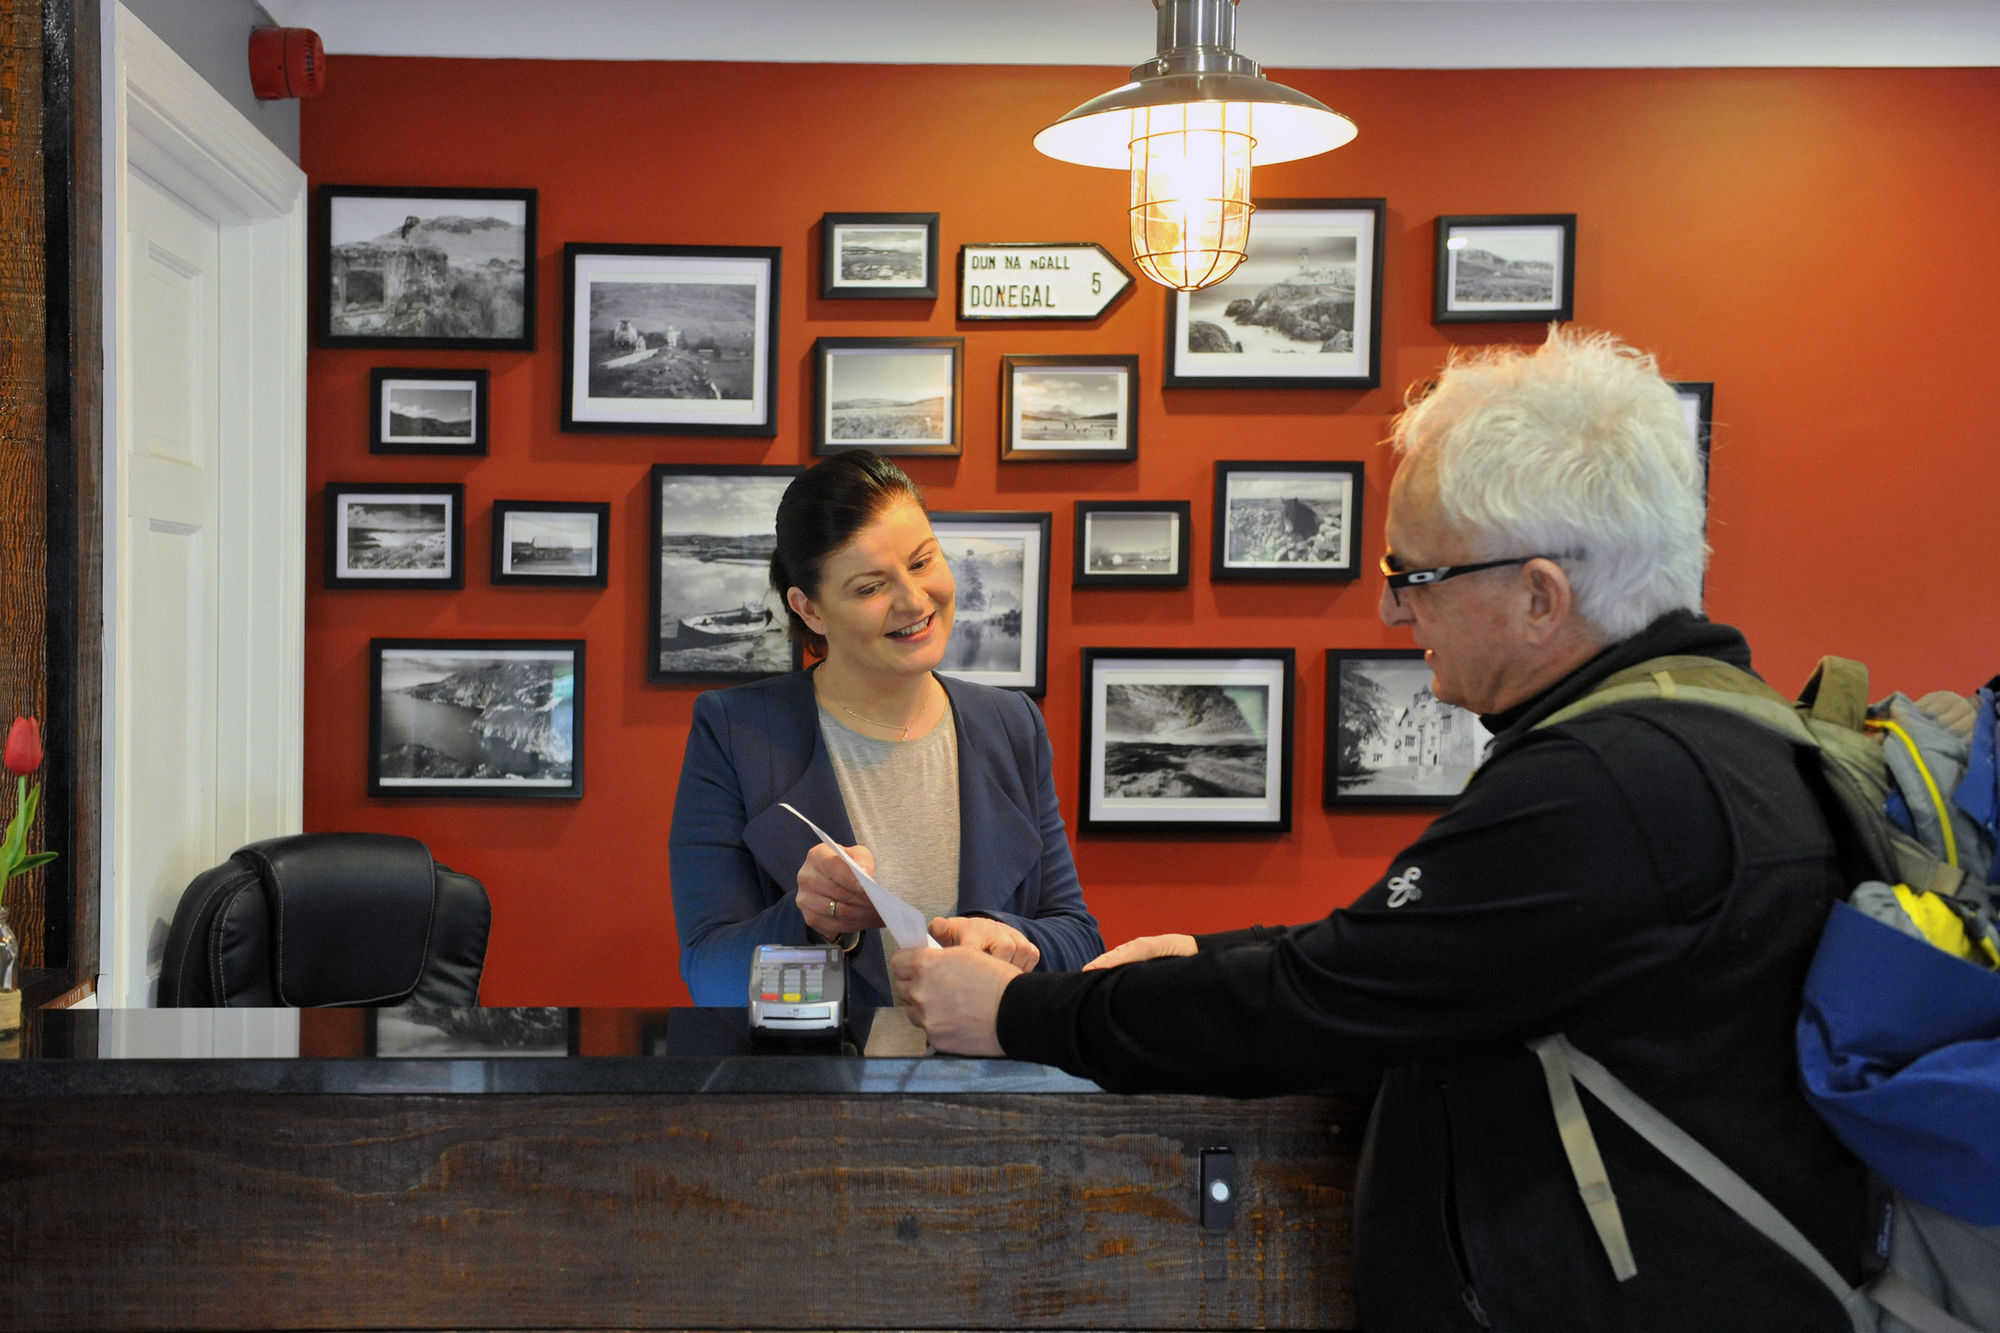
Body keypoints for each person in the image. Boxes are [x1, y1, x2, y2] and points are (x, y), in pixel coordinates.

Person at [893, 330, 1874, 1331]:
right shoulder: (1705, 731)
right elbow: (1421, 964)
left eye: (1418, 575)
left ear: (1540, 595)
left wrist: (1017, 1014)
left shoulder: (1607, 784)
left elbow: (1315, 1005)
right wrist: (1197, 951)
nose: (1389, 606)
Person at [670, 450, 1103, 1009]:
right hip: (820, 1089)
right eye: (871, 587)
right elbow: (710, 976)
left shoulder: (1010, 724)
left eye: (922, 562)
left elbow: (1078, 937)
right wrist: (811, 923)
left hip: (988, 1086)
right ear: (810, 610)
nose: (915, 600)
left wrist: (1003, 937)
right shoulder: (735, 733)